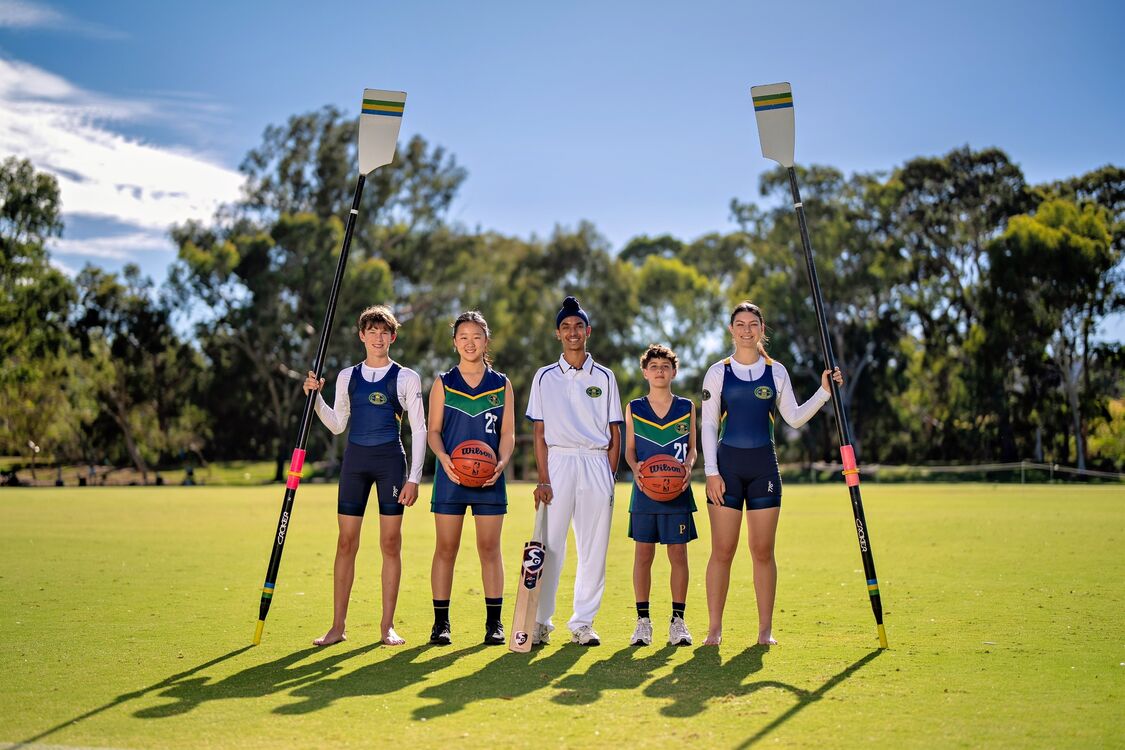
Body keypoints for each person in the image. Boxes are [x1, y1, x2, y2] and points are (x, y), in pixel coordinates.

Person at [700, 301, 843, 646]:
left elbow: (793, 417)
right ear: (731, 330)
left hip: (764, 467)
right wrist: (711, 472)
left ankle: (765, 632)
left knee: (762, 551)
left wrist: (824, 392)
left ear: (762, 330)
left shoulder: (776, 371)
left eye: (753, 324)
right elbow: (706, 424)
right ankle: (714, 630)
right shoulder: (718, 372)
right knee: (722, 550)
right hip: (727, 470)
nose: (747, 330)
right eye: (740, 324)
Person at [303, 305, 426, 647]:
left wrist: (414, 478)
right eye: (371, 331)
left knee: (390, 543)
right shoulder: (346, 376)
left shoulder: (406, 377)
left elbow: (419, 428)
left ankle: (387, 627)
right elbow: (338, 424)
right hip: (355, 463)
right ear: (361, 336)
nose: (377, 338)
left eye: (383, 332)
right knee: (346, 542)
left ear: (393, 337)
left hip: (391, 463)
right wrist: (315, 400)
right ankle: (337, 627)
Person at [527, 295, 623, 647]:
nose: (572, 332)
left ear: (588, 331)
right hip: (559, 461)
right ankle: (540, 622)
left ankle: (583, 622)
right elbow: (538, 433)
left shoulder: (606, 376)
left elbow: (615, 431)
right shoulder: (544, 377)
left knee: (593, 547)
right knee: (551, 546)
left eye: (578, 327)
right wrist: (543, 477)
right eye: (566, 327)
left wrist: (609, 477)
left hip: (596, 462)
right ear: (557, 334)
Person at [426, 311, 516, 646]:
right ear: (454, 342)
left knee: (490, 548)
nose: (469, 342)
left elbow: (507, 433)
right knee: (445, 548)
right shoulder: (443, 382)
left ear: (486, 340)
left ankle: (494, 623)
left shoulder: (501, 384)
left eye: (476, 336)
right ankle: (441, 623)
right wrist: (445, 459)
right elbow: (434, 431)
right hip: (451, 475)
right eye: (463, 336)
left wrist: (503, 462)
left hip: (490, 477)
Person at [623, 344, 697, 647]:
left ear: (674, 372)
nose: (659, 371)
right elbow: (629, 449)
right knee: (643, 555)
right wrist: (635, 468)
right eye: (653, 367)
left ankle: (678, 622)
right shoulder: (635, 407)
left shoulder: (687, 407)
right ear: (645, 372)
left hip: (677, 489)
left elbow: (692, 449)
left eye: (665, 366)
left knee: (678, 554)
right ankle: (643, 622)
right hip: (645, 489)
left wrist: (689, 468)